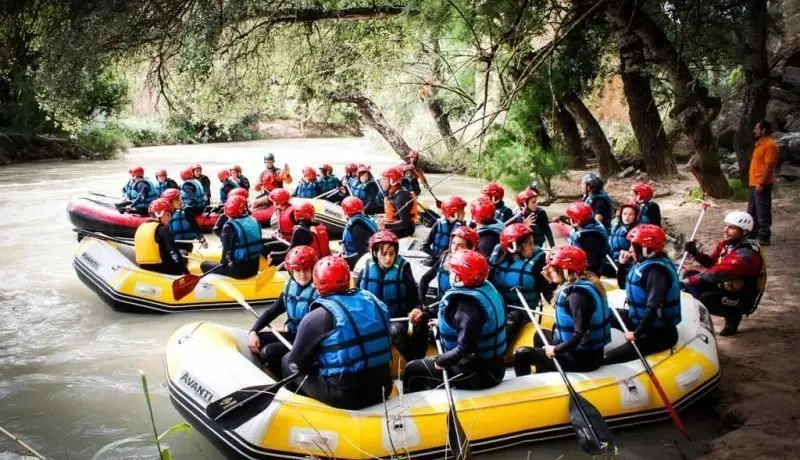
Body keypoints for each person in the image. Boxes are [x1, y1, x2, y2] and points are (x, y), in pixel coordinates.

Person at [282, 256, 392, 410]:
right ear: (347, 279)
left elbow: (296, 363)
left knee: (287, 361)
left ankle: (298, 412)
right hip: (383, 387)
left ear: (317, 284)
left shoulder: (315, 317)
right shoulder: (374, 301)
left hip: (346, 396)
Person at [403, 249, 506, 392]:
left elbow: (464, 349)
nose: (450, 275)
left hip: (480, 372)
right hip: (491, 365)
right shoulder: (484, 288)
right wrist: (443, 324)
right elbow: (472, 327)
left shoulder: (467, 305)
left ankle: (413, 412)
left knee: (413, 369)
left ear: (461, 276)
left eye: (452, 272)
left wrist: (441, 360)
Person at [513, 246, 610, 376]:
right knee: (539, 334)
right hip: (577, 351)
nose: (549, 270)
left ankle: (526, 391)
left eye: (553, 268)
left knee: (521, 354)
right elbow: (564, 309)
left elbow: (579, 334)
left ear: (565, 270)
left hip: (583, 359)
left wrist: (556, 350)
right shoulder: (582, 281)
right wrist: (551, 282)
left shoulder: (577, 296)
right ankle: (547, 375)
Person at [604, 225, 681, 364]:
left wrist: (636, 334)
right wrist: (622, 265)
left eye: (634, 246)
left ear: (647, 249)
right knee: (605, 314)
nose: (630, 249)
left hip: (658, 332)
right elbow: (622, 285)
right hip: (638, 320)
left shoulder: (656, 272)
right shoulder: (643, 263)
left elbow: (653, 309)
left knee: (609, 357)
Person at [682, 211, 766, 336]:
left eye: (731, 228)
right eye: (726, 226)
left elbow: (718, 273)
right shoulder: (726, 245)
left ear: (744, 232)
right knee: (690, 274)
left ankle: (733, 317)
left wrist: (687, 282)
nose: (725, 230)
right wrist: (696, 254)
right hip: (729, 287)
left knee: (703, 296)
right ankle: (730, 312)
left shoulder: (747, 255)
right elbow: (712, 264)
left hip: (744, 297)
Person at [249, 246, 319, 378]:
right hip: (293, 335)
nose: (302, 275)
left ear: (313, 269)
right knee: (258, 340)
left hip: (307, 343)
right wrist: (253, 331)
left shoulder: (319, 293)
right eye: (297, 270)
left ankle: (286, 382)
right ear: (291, 271)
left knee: (268, 352)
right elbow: (273, 311)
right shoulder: (290, 287)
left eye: (306, 269)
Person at [357, 231, 426, 361]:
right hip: (371, 320)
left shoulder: (403, 270)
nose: (388, 258)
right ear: (375, 254)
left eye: (392, 254)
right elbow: (355, 300)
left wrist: (417, 309)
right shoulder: (365, 269)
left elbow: (416, 302)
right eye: (383, 254)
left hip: (396, 320)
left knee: (394, 331)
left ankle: (414, 361)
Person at [489, 224, 551, 346]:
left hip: (521, 312)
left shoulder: (538, 261)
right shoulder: (498, 255)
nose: (533, 247)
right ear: (514, 246)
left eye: (533, 243)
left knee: (512, 318)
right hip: (499, 307)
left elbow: (547, 292)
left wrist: (552, 284)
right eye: (529, 244)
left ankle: (497, 350)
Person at [200, 195, 262, 279]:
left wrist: (223, 263)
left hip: (239, 271)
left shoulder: (229, 226)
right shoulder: (254, 220)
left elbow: (225, 255)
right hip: (255, 268)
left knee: (204, 265)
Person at [418, 226, 480, 302]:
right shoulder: (445, 256)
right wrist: (421, 303)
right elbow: (425, 278)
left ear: (471, 249)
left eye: (461, 246)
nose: (454, 248)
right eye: (453, 243)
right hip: (440, 303)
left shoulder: (474, 270)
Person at [265, 201, 330, 266]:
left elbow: (289, 253)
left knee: (271, 256)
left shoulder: (299, 230)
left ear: (296, 215)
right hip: (324, 262)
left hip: (311, 264)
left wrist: (272, 254)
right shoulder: (322, 227)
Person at [134, 198, 188, 275]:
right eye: (168, 215)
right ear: (158, 214)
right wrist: (185, 271)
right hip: (162, 269)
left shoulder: (141, 227)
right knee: (184, 253)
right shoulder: (163, 229)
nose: (170, 218)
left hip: (143, 267)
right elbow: (174, 252)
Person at [748, 120, 778, 245]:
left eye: (756, 128)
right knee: (753, 210)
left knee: (763, 211)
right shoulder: (760, 144)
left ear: (763, 130)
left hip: (762, 183)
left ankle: (764, 237)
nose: (754, 131)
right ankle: (753, 233)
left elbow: (769, 166)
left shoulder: (770, 145)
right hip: (754, 182)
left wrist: (762, 183)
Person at [566, 201, 609, 275]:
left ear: (576, 220)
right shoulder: (584, 227)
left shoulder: (591, 236)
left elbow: (591, 263)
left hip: (588, 273)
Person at [161, 189, 207, 253]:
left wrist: (202, 239)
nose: (180, 201)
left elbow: (195, 226)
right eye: (177, 200)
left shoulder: (186, 211)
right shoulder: (164, 215)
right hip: (172, 244)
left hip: (186, 244)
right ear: (169, 202)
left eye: (180, 198)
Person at [422, 196, 466, 261]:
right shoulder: (438, 225)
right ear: (453, 212)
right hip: (438, 260)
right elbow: (424, 246)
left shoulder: (462, 225)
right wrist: (436, 256)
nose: (464, 213)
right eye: (461, 210)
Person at [340, 196, 379, 269]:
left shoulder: (356, 228)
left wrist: (344, 260)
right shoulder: (364, 219)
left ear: (346, 212)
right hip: (362, 255)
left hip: (360, 260)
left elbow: (362, 254)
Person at [603, 202, 639, 278]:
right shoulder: (615, 226)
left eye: (631, 214)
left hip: (626, 265)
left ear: (635, 216)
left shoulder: (637, 231)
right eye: (625, 214)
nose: (627, 217)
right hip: (612, 261)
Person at [381, 166, 417, 238]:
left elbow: (404, 223)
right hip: (397, 226)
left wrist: (385, 226)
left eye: (384, 179)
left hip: (404, 230)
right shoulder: (394, 193)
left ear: (393, 181)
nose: (382, 182)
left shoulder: (401, 197)